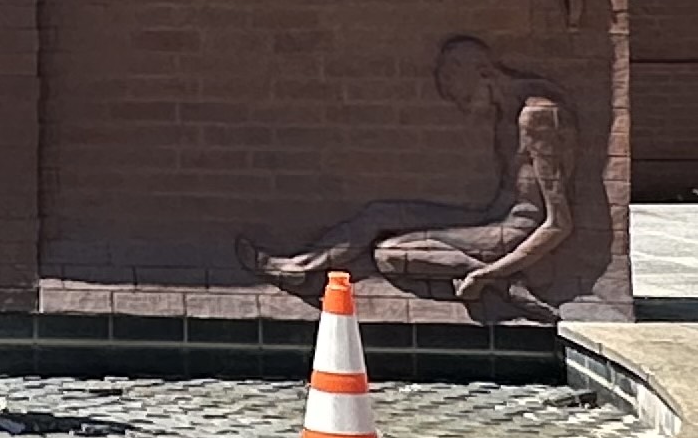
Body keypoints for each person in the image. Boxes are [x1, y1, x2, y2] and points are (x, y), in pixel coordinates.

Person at [240, 38, 579, 322]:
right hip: (490, 219)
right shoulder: (508, 112)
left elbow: (558, 224)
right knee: (380, 213)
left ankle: (498, 281)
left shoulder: (538, 117)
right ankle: (299, 269)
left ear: (485, 75)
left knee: (390, 255)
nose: (465, 109)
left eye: (464, 97)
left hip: (512, 231)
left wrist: (486, 274)